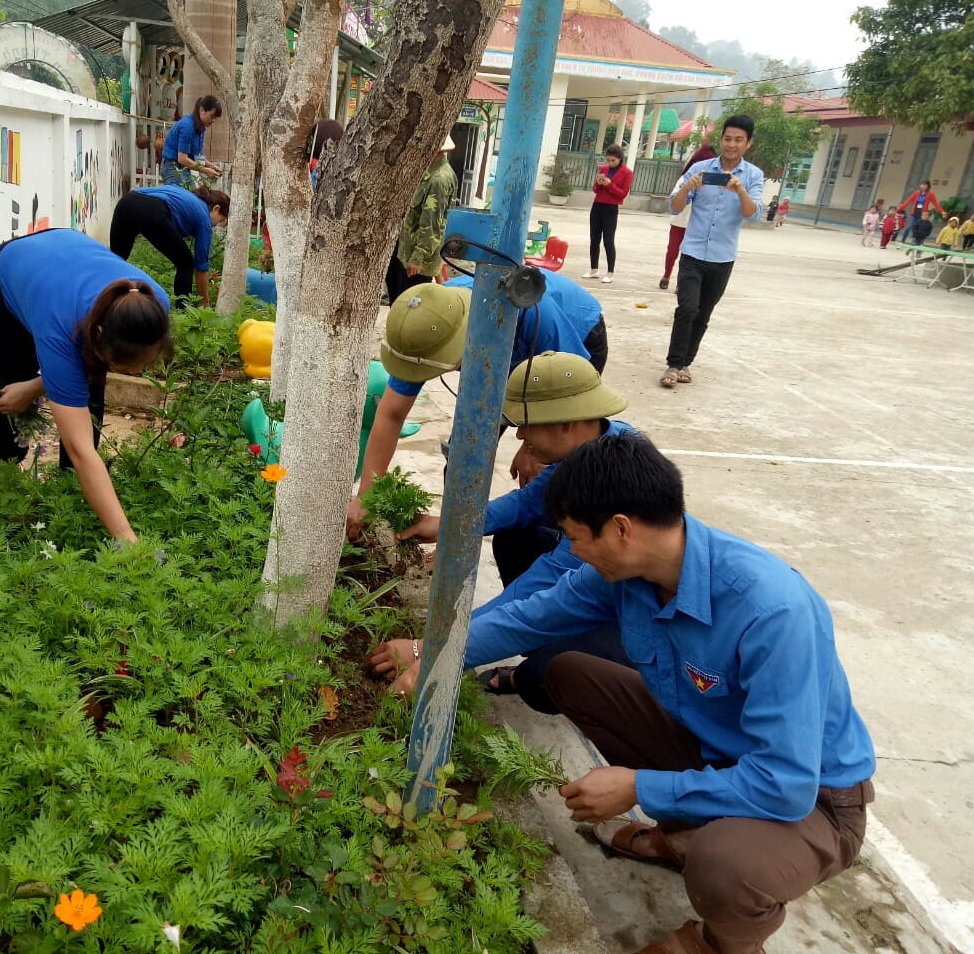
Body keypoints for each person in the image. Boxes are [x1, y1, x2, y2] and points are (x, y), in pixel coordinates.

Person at [390, 434, 877, 954]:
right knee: (570, 673)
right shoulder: (627, 573)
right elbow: (531, 617)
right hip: (714, 751)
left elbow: (786, 783)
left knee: (725, 866)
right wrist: (434, 654)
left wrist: (643, 788)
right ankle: (681, 837)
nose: (573, 552)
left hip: (813, 804)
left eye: (577, 538)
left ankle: (719, 940)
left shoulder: (770, 612)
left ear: (621, 529)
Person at [368, 352, 635, 710]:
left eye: (528, 424)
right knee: (515, 537)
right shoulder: (594, 445)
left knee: (547, 676)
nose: (520, 435)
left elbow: (549, 584)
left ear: (566, 423)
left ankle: (568, 660)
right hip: (598, 593)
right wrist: (448, 524)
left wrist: (431, 646)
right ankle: (548, 643)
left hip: (633, 625)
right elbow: (526, 504)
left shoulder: (611, 480)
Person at [347, 274, 607, 536]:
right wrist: (366, 496)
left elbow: (570, 404)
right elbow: (391, 414)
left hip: (574, 338)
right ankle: (451, 543)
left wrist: (531, 447)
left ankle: (561, 547)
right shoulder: (426, 327)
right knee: (462, 460)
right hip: (493, 354)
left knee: (552, 465)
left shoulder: (534, 315)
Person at [0, 228, 171, 544]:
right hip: (7, 272)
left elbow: (76, 373)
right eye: (126, 367)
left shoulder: (151, 306)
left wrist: (37, 386)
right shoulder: (61, 329)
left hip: (63, 256)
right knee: (15, 393)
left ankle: (71, 492)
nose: (137, 373)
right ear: (96, 337)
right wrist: (128, 542)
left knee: (85, 397)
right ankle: (9, 479)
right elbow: (81, 449)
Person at [661, 115, 764, 390]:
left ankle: (685, 364)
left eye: (738, 140)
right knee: (687, 308)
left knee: (703, 313)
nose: (731, 145)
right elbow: (674, 206)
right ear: (721, 140)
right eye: (727, 139)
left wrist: (740, 190)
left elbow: (752, 215)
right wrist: (688, 186)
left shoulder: (753, 176)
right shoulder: (701, 168)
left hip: (722, 257)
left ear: (748, 143)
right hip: (693, 252)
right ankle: (673, 363)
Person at [109, 184, 229, 309]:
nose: (217, 225)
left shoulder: (189, 197)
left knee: (117, 260)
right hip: (152, 210)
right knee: (186, 263)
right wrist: (204, 301)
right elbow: (201, 267)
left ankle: (108, 300)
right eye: (221, 220)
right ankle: (183, 311)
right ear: (216, 208)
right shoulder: (204, 218)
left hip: (126, 202)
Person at [385, 135, 459, 304]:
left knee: (409, 310)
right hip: (406, 251)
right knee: (397, 303)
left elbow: (432, 224)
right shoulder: (426, 173)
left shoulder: (439, 179)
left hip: (418, 259)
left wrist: (418, 257)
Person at [660, 144, 716, 291]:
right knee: (673, 250)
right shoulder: (687, 177)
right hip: (680, 220)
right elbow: (674, 199)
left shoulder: (714, 181)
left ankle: (680, 283)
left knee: (689, 255)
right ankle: (666, 275)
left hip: (697, 224)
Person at [584, 144, 633, 283]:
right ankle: (594, 269)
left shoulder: (627, 173)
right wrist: (599, 183)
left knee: (608, 241)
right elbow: (595, 189)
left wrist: (610, 185)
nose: (610, 163)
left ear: (620, 159)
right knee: (594, 239)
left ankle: (610, 272)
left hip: (611, 209)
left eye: (613, 160)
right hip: (597, 206)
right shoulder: (604, 169)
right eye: (608, 160)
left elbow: (622, 194)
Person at [160, 95, 223, 188]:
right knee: (181, 199)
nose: (213, 120)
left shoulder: (201, 128)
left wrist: (211, 166)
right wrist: (205, 170)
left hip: (184, 168)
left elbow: (198, 157)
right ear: (202, 110)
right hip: (171, 167)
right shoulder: (187, 126)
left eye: (215, 118)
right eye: (212, 116)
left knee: (193, 196)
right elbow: (182, 158)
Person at [896, 179, 944, 243]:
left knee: (920, 229)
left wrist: (942, 211)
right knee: (909, 227)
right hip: (914, 213)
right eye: (921, 184)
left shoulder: (931, 194)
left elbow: (935, 203)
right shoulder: (916, 193)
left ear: (928, 186)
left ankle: (917, 242)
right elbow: (908, 201)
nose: (922, 186)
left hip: (922, 215)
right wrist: (899, 209)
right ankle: (903, 241)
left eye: (924, 185)